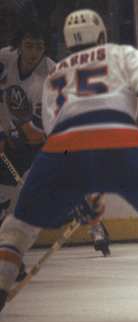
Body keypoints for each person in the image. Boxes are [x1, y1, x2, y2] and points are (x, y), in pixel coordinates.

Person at [0, 9, 138, 319]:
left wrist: (83, 193)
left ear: (67, 43)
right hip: (121, 140)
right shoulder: (120, 54)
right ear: (103, 36)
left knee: (17, 228)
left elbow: (62, 135)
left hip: (62, 151)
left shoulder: (56, 73)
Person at [0, 21, 111, 257]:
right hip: (13, 132)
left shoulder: (51, 76)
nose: (33, 53)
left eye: (39, 47)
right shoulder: (5, 58)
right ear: (18, 45)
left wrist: (20, 132)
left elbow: (37, 132)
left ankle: (95, 224)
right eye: (28, 46)